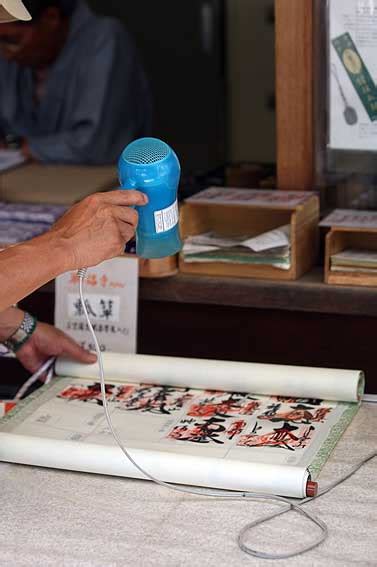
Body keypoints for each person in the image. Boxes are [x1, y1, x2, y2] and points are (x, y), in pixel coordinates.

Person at [0, 0, 152, 164]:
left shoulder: (103, 39)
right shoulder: (16, 56)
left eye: (12, 41)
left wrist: (21, 147)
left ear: (51, 18)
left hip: (103, 180)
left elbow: (95, 145)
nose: (6, 55)